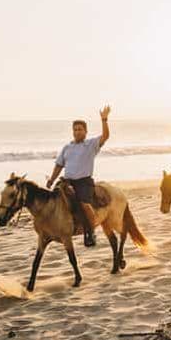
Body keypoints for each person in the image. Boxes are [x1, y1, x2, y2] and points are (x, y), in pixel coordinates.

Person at [47, 105, 111, 247]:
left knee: (84, 204)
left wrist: (104, 120)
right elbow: (59, 165)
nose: (77, 132)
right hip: (67, 181)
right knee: (53, 201)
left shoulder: (91, 144)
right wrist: (51, 179)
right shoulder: (67, 147)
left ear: (85, 131)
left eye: (80, 129)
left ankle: (91, 232)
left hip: (84, 182)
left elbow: (105, 136)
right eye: (75, 129)